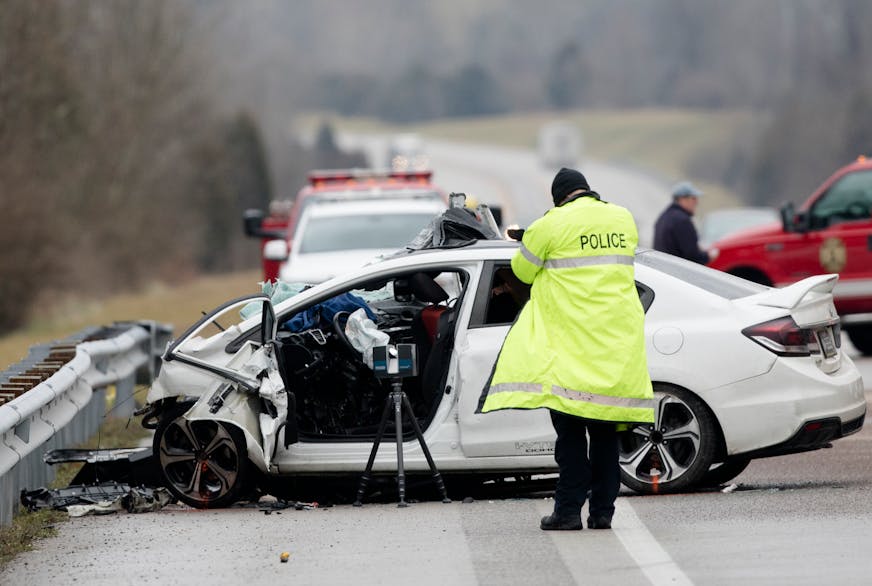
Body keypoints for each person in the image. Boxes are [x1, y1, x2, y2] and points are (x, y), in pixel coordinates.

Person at [477, 167, 654, 531]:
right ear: (587, 190)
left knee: (571, 439)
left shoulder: (551, 224)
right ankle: (603, 513)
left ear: (558, 198)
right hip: (615, 346)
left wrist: (532, 240)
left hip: (571, 350)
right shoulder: (622, 218)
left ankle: (568, 512)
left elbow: (522, 271)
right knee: (605, 437)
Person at [653, 181, 710, 263]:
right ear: (682, 199)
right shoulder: (682, 221)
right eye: (693, 198)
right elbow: (692, 256)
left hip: (663, 268)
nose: (697, 202)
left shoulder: (664, 216)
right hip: (675, 271)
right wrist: (708, 256)